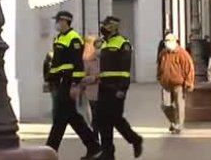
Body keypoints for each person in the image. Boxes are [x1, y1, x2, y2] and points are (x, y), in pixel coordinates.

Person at [45, 11, 102, 159]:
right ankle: (93, 146)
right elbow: (57, 64)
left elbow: (77, 65)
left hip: (68, 83)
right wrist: (51, 80)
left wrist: (75, 85)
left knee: (61, 117)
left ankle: (50, 150)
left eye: (57, 20)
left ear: (65, 21)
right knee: (69, 117)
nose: (56, 23)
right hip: (59, 83)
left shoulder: (74, 39)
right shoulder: (59, 38)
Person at [98, 16, 143, 159]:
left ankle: (135, 139)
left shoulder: (123, 44)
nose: (103, 28)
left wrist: (122, 89)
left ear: (112, 27)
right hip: (103, 87)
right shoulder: (105, 43)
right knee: (102, 120)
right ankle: (107, 153)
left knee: (116, 119)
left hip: (116, 87)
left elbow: (125, 70)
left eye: (105, 26)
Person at [157, 34, 194, 134]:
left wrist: (189, 82)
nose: (167, 43)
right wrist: (159, 78)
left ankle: (179, 125)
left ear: (174, 41)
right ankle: (174, 121)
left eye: (169, 41)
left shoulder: (182, 54)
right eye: (166, 41)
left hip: (178, 84)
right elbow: (159, 66)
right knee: (165, 105)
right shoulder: (163, 54)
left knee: (179, 104)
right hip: (166, 84)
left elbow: (189, 69)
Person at [80, 35, 102, 142]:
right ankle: (95, 138)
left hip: (106, 93)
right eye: (97, 47)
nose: (99, 50)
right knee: (95, 118)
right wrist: (95, 77)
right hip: (93, 95)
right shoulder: (88, 62)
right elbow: (82, 79)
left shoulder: (107, 60)